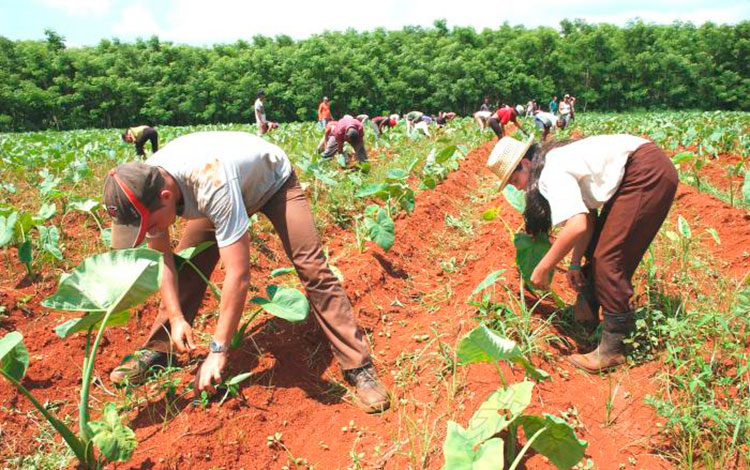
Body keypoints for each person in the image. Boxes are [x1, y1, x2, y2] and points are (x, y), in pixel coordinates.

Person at [103, 131, 389, 413]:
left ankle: (358, 366)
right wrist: (176, 317)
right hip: (224, 182)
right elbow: (163, 259)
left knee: (312, 266)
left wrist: (218, 351)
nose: (152, 232)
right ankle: (161, 349)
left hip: (272, 183)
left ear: (166, 196)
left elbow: (238, 274)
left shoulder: (210, 184)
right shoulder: (146, 183)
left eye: (150, 226)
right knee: (187, 266)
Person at [486, 134, 678, 373]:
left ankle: (613, 348)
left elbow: (576, 225)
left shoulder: (550, 173)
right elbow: (586, 216)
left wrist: (544, 267)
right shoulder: (552, 161)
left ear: (526, 165)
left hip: (646, 171)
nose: (519, 187)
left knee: (609, 258)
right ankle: (589, 313)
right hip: (641, 167)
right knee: (599, 249)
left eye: (515, 180)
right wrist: (575, 264)